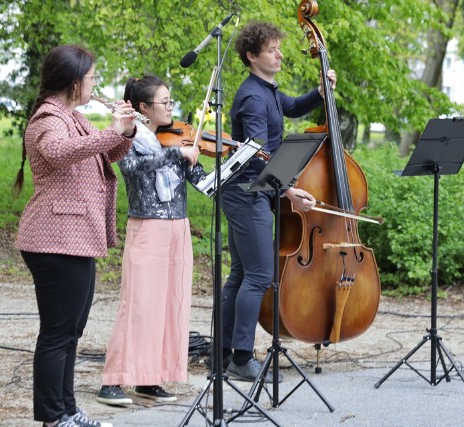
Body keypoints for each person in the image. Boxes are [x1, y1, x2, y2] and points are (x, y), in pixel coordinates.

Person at [12, 44, 136, 427]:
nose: (96, 82)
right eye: (92, 76)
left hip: (74, 237)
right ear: (73, 82)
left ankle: (67, 411)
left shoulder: (73, 116)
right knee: (58, 333)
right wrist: (110, 130)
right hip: (54, 239)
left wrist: (125, 132)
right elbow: (60, 152)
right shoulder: (49, 119)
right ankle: (53, 417)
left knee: (71, 332)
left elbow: (102, 155)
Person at [220, 20, 336, 382]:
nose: (280, 53)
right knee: (258, 275)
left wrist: (319, 92)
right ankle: (241, 357)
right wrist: (287, 190)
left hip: (250, 192)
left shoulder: (267, 90)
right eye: (272, 49)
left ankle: (222, 354)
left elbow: (292, 106)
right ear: (252, 56)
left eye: (278, 48)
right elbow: (257, 155)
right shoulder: (253, 98)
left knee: (241, 274)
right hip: (247, 193)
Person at [96, 75, 206, 406]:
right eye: (165, 102)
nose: (171, 107)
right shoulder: (132, 135)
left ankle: (149, 378)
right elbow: (131, 168)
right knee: (140, 305)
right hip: (148, 226)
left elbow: (198, 180)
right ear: (144, 107)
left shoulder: (164, 140)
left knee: (170, 304)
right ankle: (113, 381)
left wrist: (226, 175)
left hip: (178, 227)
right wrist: (176, 154)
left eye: (171, 101)